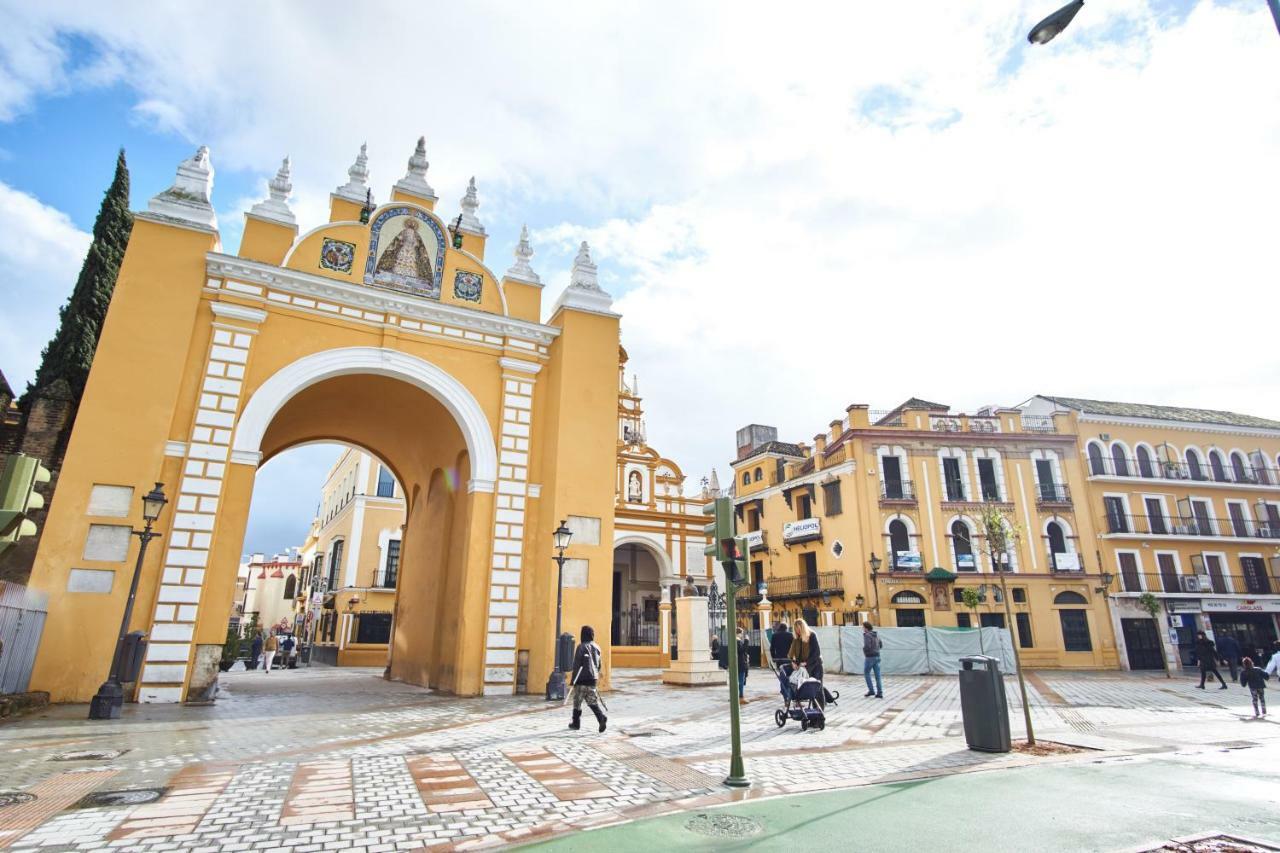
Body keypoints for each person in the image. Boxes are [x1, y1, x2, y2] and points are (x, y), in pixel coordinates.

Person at [569, 625, 607, 733]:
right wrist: (595, 675)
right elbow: (598, 665)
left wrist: (573, 680)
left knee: (577, 701)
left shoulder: (581, 647)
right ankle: (601, 719)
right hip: (593, 679)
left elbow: (576, 665)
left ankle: (576, 723)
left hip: (581, 678)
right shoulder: (597, 647)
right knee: (592, 701)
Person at [789, 619, 824, 706]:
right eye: (796, 630)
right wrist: (793, 662)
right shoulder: (796, 639)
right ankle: (811, 714)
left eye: (799, 630)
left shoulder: (812, 635)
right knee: (809, 692)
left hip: (815, 667)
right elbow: (792, 654)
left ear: (803, 628)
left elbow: (816, 653)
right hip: (805, 669)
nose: (797, 632)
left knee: (817, 690)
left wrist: (806, 663)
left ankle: (819, 715)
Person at [862, 621, 883, 699]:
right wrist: (876, 649)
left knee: (867, 673)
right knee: (878, 676)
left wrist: (864, 651)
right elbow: (881, 645)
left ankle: (871, 690)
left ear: (866, 628)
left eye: (863, 627)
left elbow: (867, 646)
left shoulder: (867, 635)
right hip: (877, 656)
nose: (863, 629)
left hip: (870, 657)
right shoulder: (876, 634)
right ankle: (880, 693)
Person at [736, 627, 750, 705]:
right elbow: (742, 650)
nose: (742, 635)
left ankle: (739, 695)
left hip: (740, 663)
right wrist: (747, 640)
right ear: (739, 633)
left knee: (740, 680)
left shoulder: (737, 641)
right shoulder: (738, 641)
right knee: (741, 681)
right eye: (741, 633)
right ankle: (741, 696)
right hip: (741, 664)